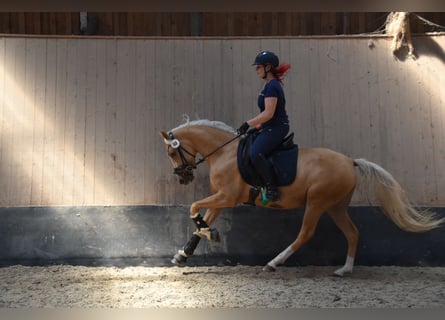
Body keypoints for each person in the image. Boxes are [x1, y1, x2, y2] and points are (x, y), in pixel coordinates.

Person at [237, 50, 291, 201]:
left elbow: (269, 113)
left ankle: (272, 187)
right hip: (269, 127)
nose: (257, 70)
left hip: (277, 127)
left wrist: (247, 124)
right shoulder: (268, 86)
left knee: (255, 153)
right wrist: (258, 127)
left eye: (259, 67)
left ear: (268, 67)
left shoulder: (272, 86)